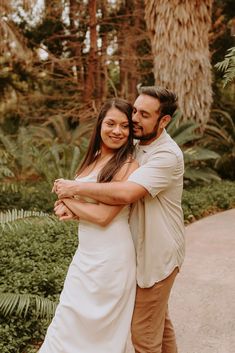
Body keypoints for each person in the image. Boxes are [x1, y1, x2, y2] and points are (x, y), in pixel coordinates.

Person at [55, 86, 185, 353]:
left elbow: (125, 192)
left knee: (144, 337)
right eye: (135, 110)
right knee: (160, 325)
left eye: (144, 114)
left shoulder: (166, 156)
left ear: (164, 121)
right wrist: (73, 203)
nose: (134, 118)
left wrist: (72, 190)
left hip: (156, 255)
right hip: (133, 250)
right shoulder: (136, 143)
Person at [39, 98, 139, 353]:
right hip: (85, 256)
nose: (117, 131)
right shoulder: (92, 158)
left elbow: (104, 216)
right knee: (67, 320)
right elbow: (86, 207)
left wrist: (67, 200)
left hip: (112, 258)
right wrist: (70, 206)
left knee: (99, 333)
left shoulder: (128, 165)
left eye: (125, 126)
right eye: (111, 123)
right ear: (100, 125)